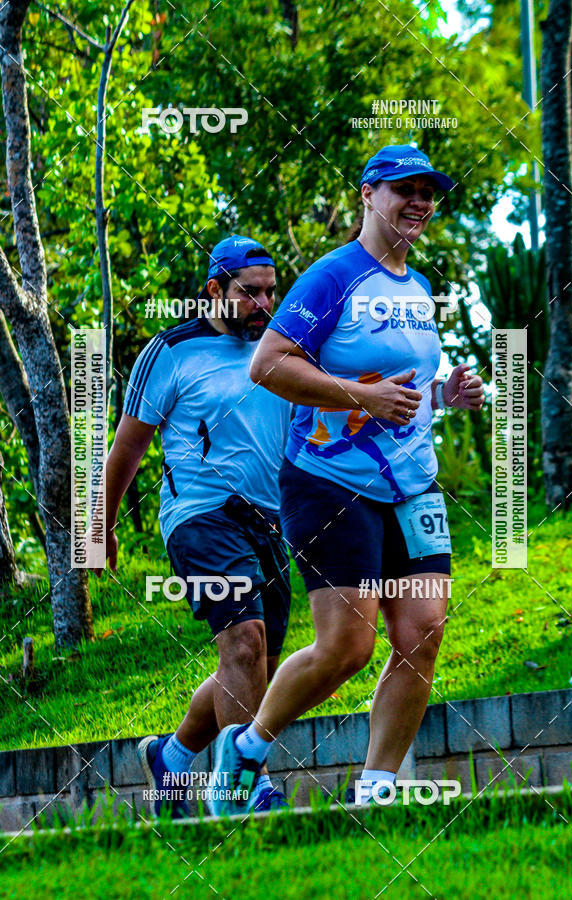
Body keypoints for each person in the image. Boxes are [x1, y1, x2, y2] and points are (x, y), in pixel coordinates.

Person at [207, 145, 485, 814]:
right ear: (368, 194)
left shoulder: (418, 289)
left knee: (422, 631)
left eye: (428, 191)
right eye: (403, 189)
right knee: (348, 648)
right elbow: (268, 366)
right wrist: (361, 398)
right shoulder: (333, 279)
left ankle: (378, 789)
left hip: (411, 485)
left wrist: (445, 395)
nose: (418, 202)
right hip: (329, 485)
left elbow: (399, 391)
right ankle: (245, 750)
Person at [92, 235, 292, 816]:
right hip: (200, 517)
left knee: (257, 664)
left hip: (270, 521)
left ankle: (173, 759)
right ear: (213, 290)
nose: (263, 302)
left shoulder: (281, 349)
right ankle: (242, 792)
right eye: (249, 292)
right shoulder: (172, 351)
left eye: (270, 291)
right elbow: (126, 449)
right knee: (244, 642)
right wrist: (99, 528)